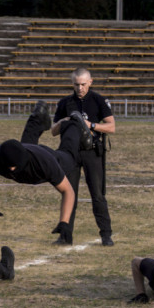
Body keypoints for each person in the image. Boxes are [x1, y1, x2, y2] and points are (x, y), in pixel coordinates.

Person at [0, 102, 77, 244]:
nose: (11, 170)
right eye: (8, 166)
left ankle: (73, 125)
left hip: (51, 158)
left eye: (14, 167)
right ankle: (38, 117)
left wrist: (64, 222)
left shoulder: (45, 162)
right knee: (27, 143)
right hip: (29, 152)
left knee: (69, 155)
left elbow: (68, 191)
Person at [51, 67, 116, 246]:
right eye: (76, 84)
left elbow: (111, 127)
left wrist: (90, 125)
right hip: (69, 154)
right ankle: (65, 235)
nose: (79, 88)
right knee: (69, 193)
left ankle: (106, 234)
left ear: (90, 82)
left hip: (92, 153)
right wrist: (64, 121)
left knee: (97, 194)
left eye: (83, 84)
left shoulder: (98, 100)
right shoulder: (65, 102)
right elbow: (53, 131)